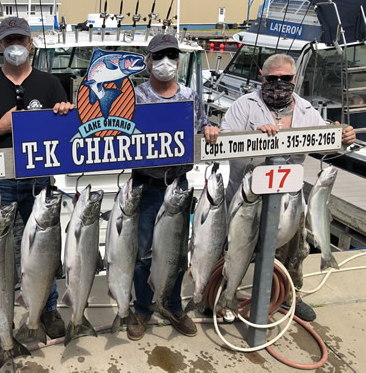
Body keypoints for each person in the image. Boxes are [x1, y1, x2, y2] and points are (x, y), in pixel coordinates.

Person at [0, 16, 73, 350]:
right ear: (0, 46)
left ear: (30, 44)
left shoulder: (50, 84)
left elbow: (65, 133)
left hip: (39, 178)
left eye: (20, 40)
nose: (15, 47)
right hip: (0, 180)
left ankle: (46, 309)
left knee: (45, 247)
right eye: (9, 41)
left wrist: (66, 113)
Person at [218, 53, 356, 321]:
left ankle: (290, 295)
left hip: (288, 198)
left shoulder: (306, 110)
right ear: (262, 77)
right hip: (245, 197)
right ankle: (224, 293)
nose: (279, 83)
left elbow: (330, 141)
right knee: (232, 249)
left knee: (295, 250)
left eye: (285, 78)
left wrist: (343, 137)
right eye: (273, 78)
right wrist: (253, 138)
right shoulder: (243, 105)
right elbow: (223, 142)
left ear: (294, 79)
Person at [127, 33, 220, 341]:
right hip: (146, 185)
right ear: (149, 60)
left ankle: (173, 304)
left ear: (178, 61)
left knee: (177, 252)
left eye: (172, 56)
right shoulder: (135, 95)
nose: (166, 62)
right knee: (144, 253)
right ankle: (141, 309)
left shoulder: (191, 96)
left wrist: (208, 129)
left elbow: (201, 127)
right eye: (159, 56)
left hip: (179, 185)